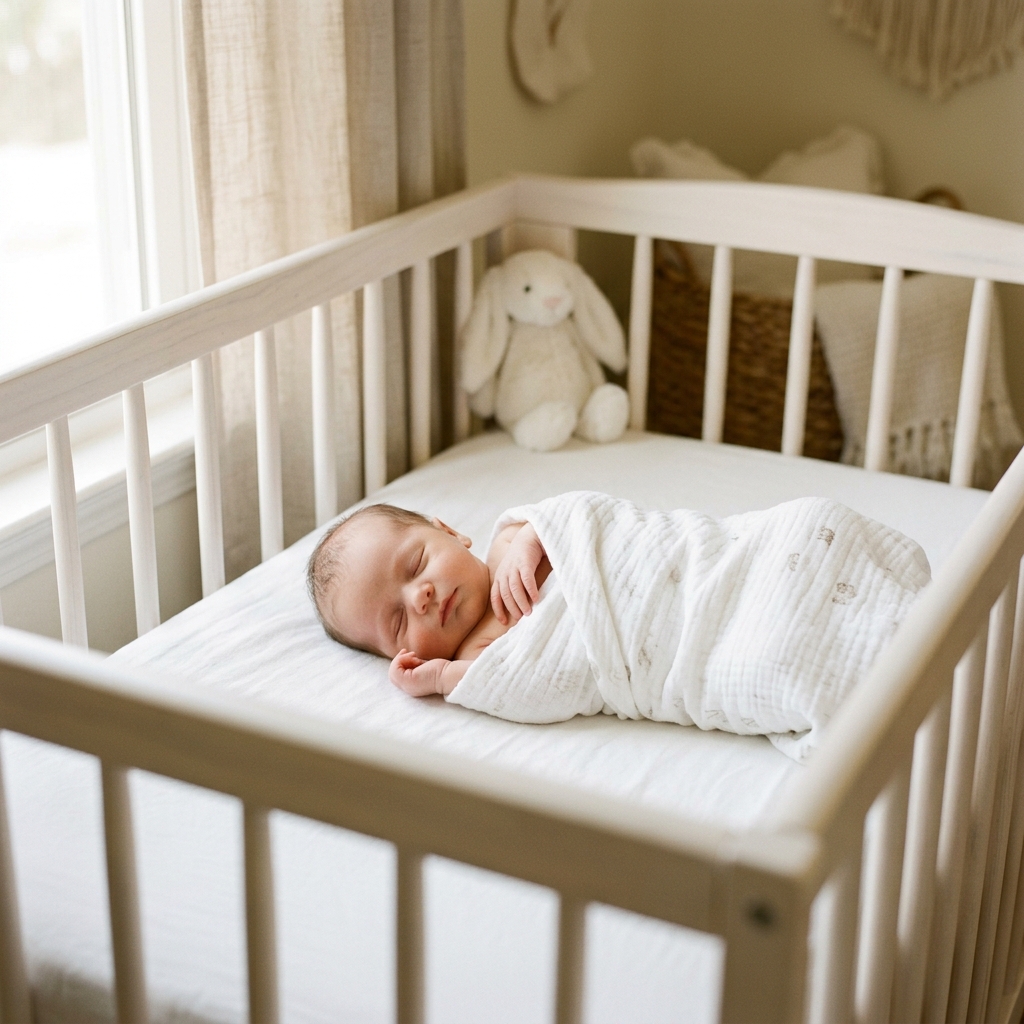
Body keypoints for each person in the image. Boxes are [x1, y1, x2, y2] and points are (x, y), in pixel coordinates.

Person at [307, 504, 549, 697]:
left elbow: (578, 513)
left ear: (450, 533)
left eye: (417, 564)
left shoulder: (509, 542)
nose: (419, 598)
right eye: (399, 621)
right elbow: (526, 687)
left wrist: (532, 539)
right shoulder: (474, 659)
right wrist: (441, 677)